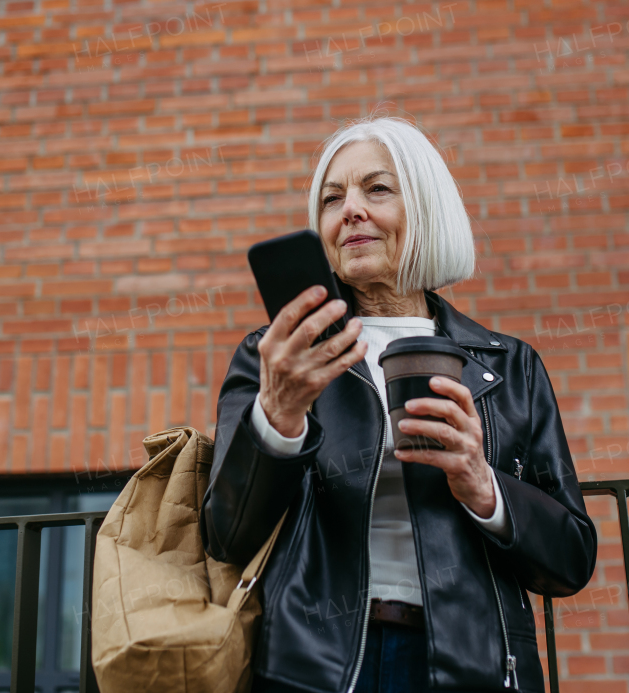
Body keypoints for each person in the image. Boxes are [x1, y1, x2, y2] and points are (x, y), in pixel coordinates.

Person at [201, 116, 597, 693]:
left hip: (472, 669)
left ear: (427, 208)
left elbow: (571, 560)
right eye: (332, 198)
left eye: (377, 189)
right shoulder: (277, 357)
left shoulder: (512, 367)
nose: (351, 210)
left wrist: (484, 487)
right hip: (313, 668)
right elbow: (226, 534)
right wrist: (279, 417)